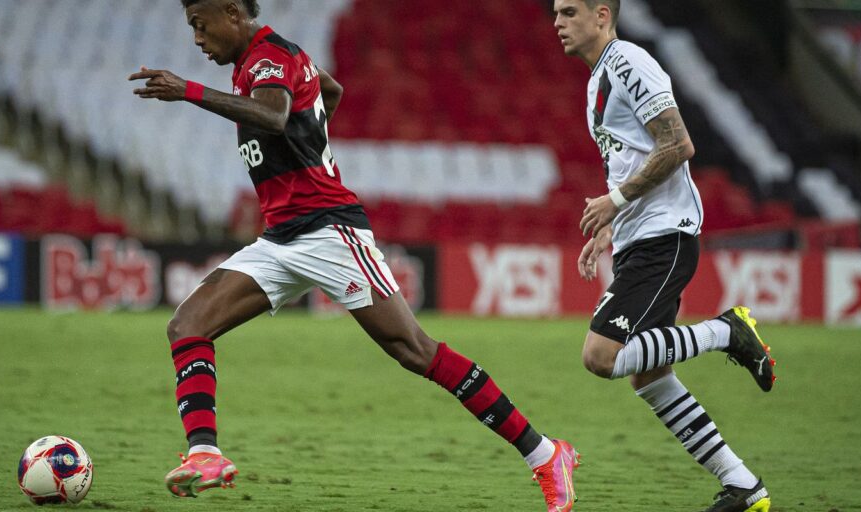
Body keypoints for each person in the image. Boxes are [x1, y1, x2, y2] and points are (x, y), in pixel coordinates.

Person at [129, 1, 579, 509]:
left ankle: (545, 453)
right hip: (281, 239)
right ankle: (205, 454)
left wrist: (186, 91)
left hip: (328, 230)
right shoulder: (260, 61)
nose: (195, 37)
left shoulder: (269, 56)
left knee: (414, 350)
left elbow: (275, 115)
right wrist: (311, 147)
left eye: (199, 23)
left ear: (232, 12)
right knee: (187, 325)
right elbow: (330, 90)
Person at [552, 1, 777, 511]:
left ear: (602, 14)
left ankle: (727, 331)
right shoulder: (597, 80)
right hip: (640, 236)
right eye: (555, 13)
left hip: (666, 235)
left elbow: (677, 143)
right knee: (648, 375)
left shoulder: (629, 61)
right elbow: (632, 158)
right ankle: (744, 486)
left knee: (600, 356)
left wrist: (616, 201)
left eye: (568, 12)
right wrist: (611, 220)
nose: (557, 22)